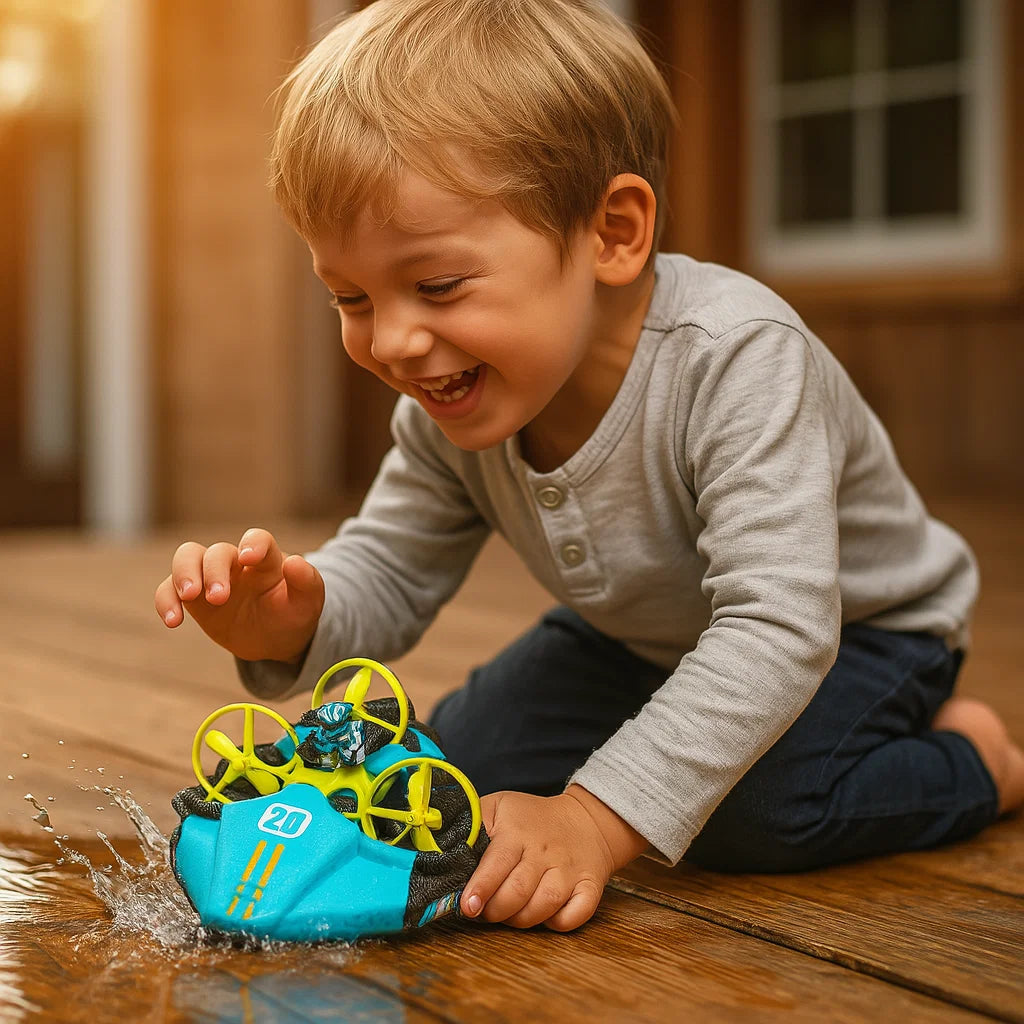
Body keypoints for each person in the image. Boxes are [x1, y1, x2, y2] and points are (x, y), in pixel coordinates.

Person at [154, 0, 1024, 932]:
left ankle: (976, 759)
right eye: (350, 296)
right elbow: (393, 566)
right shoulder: (451, 399)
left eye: (437, 285)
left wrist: (595, 819)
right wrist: (290, 617)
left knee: (746, 818)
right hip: (642, 641)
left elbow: (780, 626)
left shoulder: (736, 357)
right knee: (457, 761)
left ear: (612, 232)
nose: (397, 340)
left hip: (860, 634)